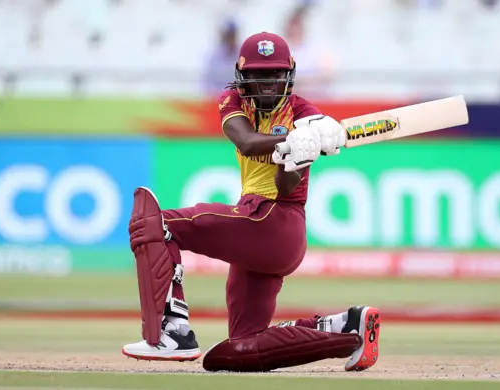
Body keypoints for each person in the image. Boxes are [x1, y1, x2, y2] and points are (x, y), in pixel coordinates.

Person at [121, 31, 381, 372]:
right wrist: (293, 139)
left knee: (156, 223)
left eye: (275, 74)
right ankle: (347, 330)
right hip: (258, 229)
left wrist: (301, 153)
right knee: (240, 349)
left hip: (276, 222)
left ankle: (173, 333)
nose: (268, 82)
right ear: (242, 76)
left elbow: (286, 186)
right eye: (259, 74)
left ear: (288, 74)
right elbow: (243, 140)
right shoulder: (232, 100)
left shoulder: (305, 115)